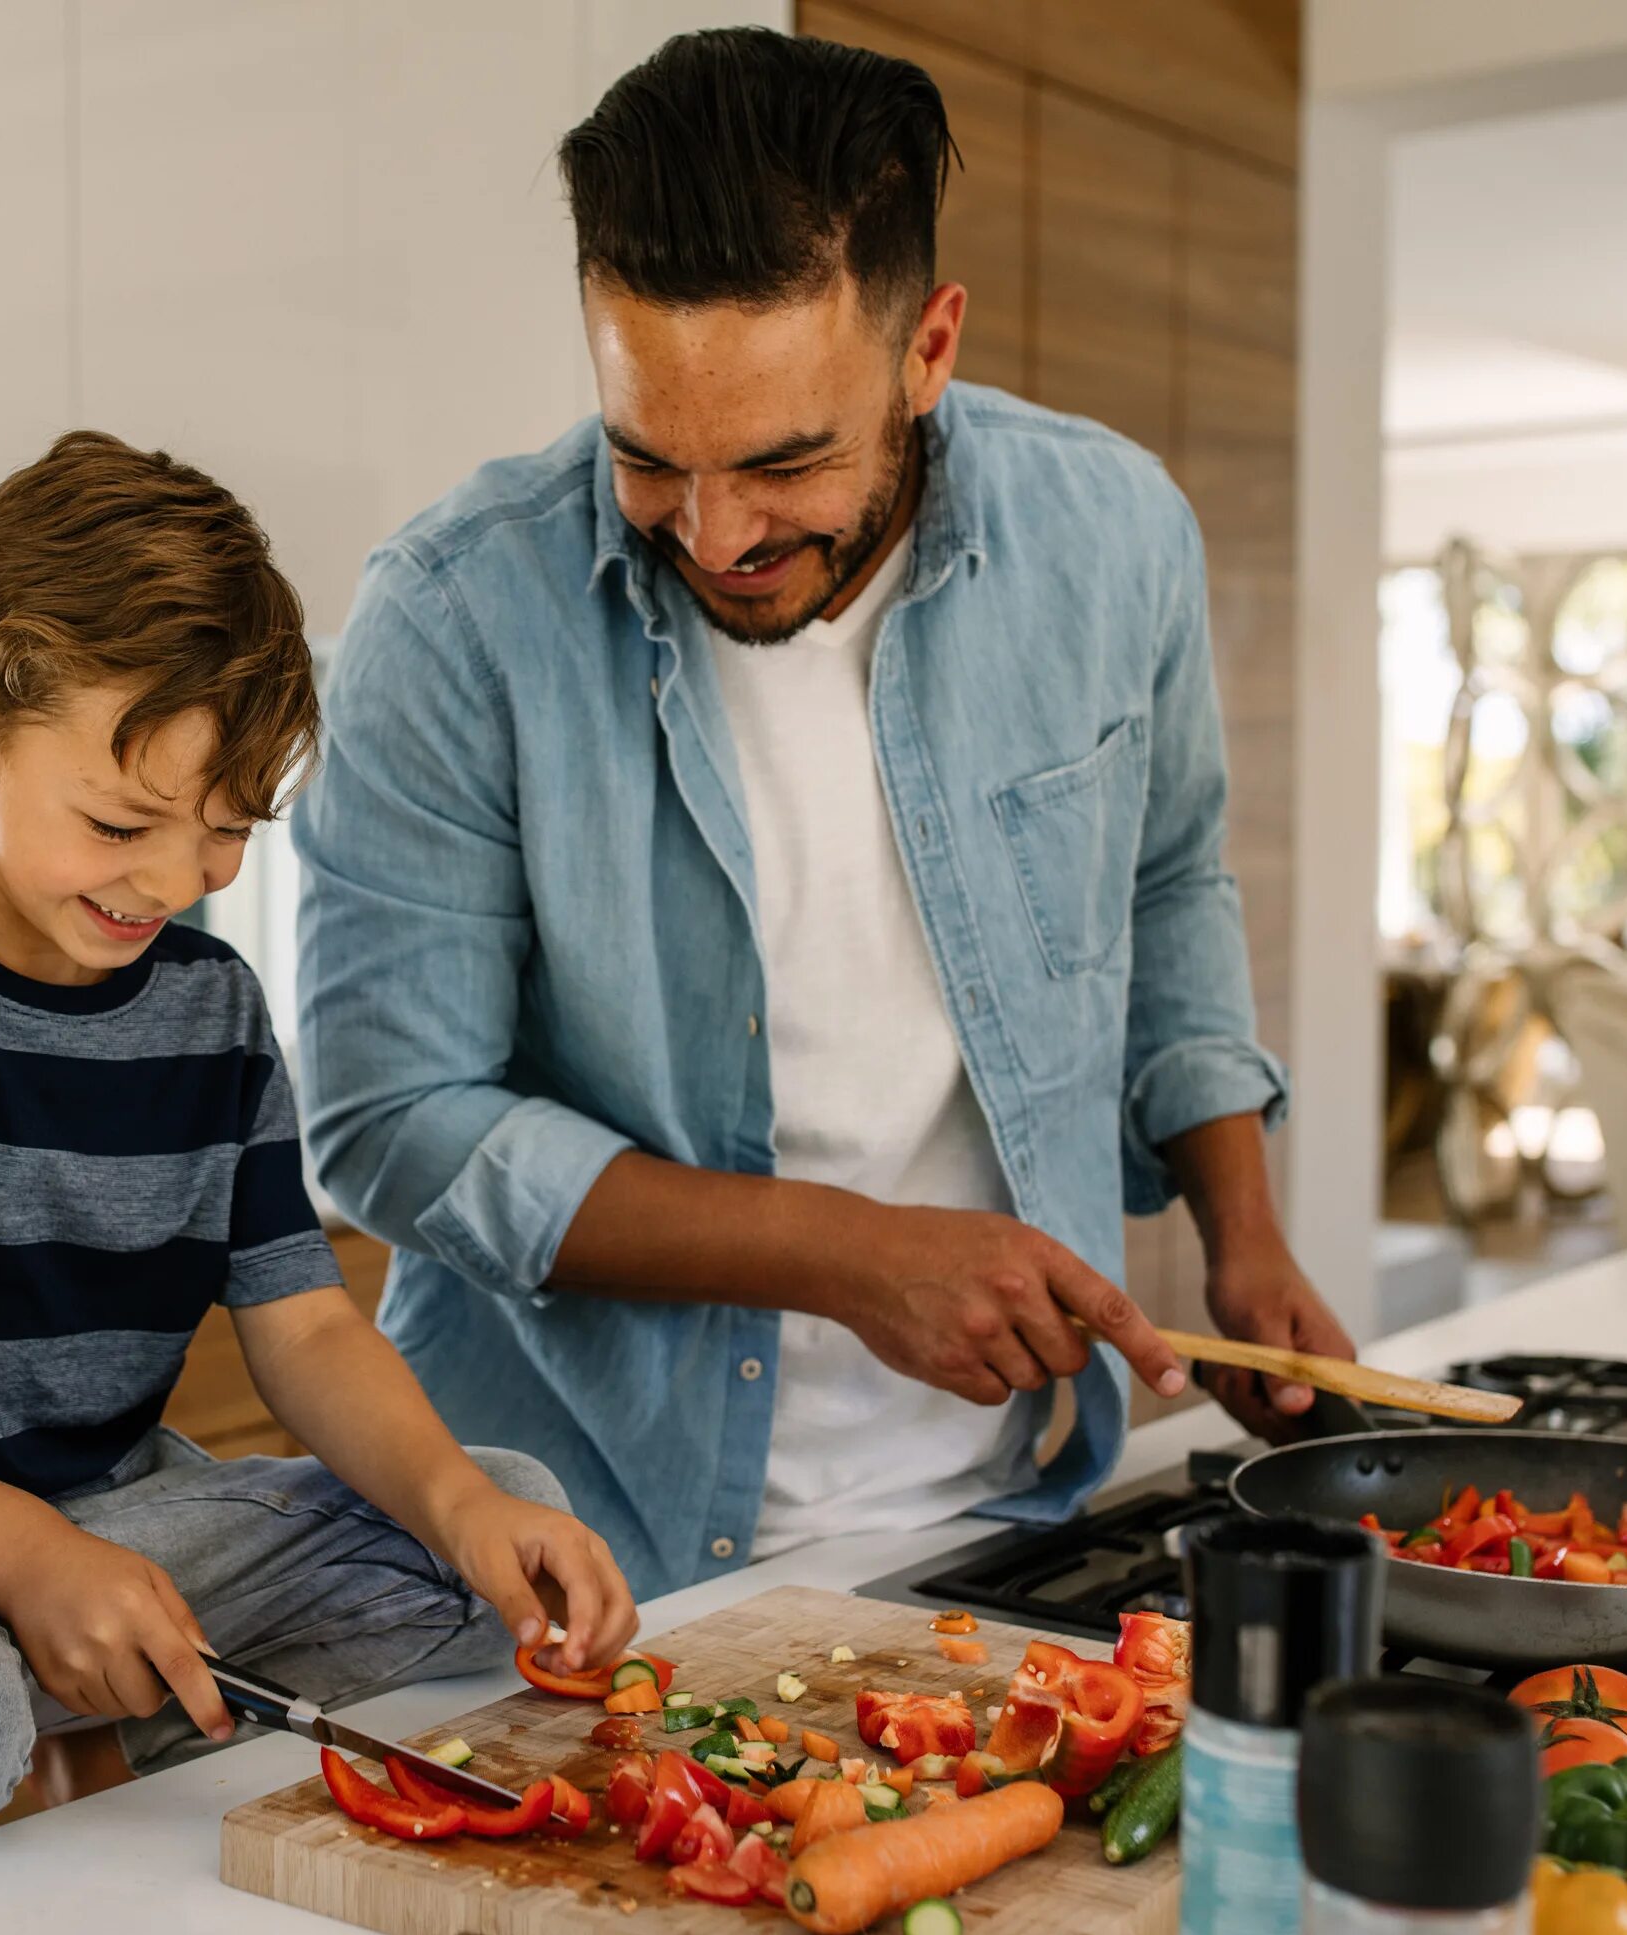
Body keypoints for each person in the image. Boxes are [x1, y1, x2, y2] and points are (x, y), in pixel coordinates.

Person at [293, 28, 1354, 1598]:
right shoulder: (453, 619)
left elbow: (1168, 881)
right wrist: (846, 1253)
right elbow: (389, 1125)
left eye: (785, 461)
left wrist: (1240, 1223)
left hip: (1010, 1517)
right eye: (650, 457)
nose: (715, 535)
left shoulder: (1116, 535)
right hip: (569, 1548)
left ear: (928, 349)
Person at [0, 432, 634, 1888]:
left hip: (111, 1526)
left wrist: (462, 1504)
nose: (171, 883)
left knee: (486, 1534)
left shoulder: (210, 1008)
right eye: (120, 822)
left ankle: (67, 1721)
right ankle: (36, 1723)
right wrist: (27, 1566)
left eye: (225, 833)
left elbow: (301, 1326)